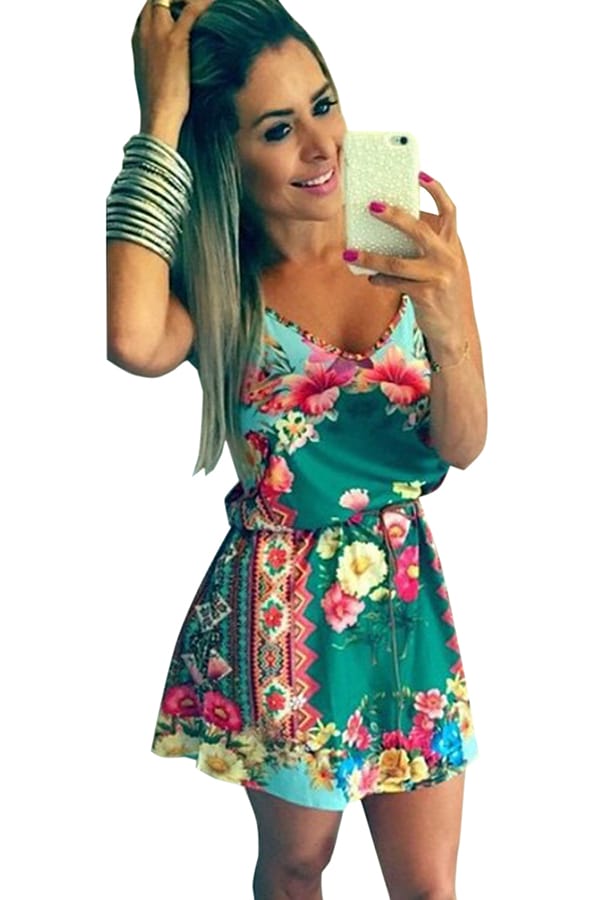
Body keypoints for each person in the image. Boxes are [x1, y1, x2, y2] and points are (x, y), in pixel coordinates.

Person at [106, 0, 487, 896]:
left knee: (429, 888)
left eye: (325, 105)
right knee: (297, 864)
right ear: (226, 153)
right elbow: (131, 338)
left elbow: (463, 445)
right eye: (278, 129)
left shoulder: (405, 237)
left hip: (405, 598)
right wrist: (159, 119)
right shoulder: (220, 283)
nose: (322, 148)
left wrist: (448, 323)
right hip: (284, 610)